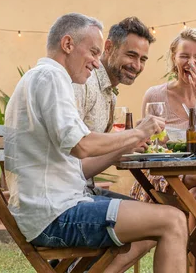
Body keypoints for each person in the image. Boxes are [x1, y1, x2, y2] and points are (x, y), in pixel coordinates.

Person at [4, 13, 187, 273]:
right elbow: (81, 146)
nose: (96, 63)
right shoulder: (50, 78)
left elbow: (75, 161)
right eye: (92, 52)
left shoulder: (49, 79)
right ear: (68, 45)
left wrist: (126, 144)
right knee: (172, 219)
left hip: (59, 204)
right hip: (55, 216)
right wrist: (137, 132)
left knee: (163, 216)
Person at [129, 28, 196, 273]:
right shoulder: (155, 95)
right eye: (184, 56)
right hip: (162, 183)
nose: (191, 62)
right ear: (174, 58)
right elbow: (149, 148)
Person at [72, 16, 156, 272]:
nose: (137, 65)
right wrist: (129, 140)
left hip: (84, 191)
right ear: (108, 48)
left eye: (142, 59)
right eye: (131, 55)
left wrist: (128, 145)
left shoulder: (108, 92)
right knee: (165, 219)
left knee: (163, 217)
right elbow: (75, 163)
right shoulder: (85, 83)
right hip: (73, 198)